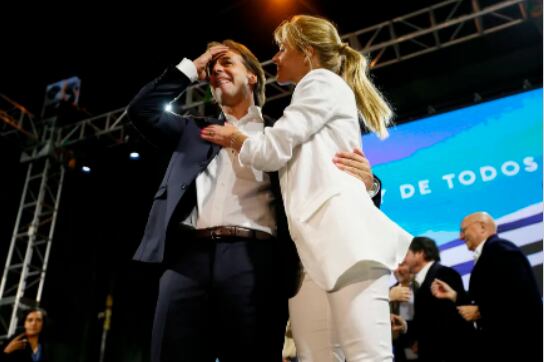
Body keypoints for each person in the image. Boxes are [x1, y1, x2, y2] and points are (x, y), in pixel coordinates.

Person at [126, 38, 380, 361]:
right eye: (212, 68)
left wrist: (368, 186)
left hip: (255, 261)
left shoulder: (284, 135)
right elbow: (140, 110)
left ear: (252, 76)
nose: (217, 70)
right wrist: (194, 65)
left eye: (227, 62)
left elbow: (328, 184)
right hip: (187, 259)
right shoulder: (193, 130)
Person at [201, 15, 412, 361]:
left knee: (366, 356)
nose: (276, 57)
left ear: (308, 52)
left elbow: (271, 150)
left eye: (283, 48)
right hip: (307, 255)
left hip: (345, 242)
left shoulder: (319, 82)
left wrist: (235, 138)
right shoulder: (308, 99)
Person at [431, 212, 543, 362]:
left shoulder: (500, 249)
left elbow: (521, 297)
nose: (460, 237)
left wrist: (482, 312)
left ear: (482, 227)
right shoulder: (491, 252)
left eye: (463, 230)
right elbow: (491, 297)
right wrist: (455, 296)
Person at [403, 237, 476, 362]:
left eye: (406, 253)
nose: (403, 259)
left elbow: (451, 318)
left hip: (448, 353)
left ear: (420, 253)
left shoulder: (444, 274)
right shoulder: (415, 282)